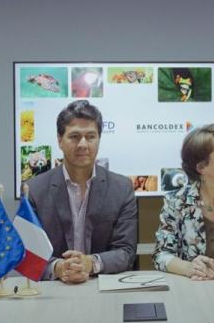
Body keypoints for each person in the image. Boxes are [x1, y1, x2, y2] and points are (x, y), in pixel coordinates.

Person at [26, 100, 137, 284]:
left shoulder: (122, 188)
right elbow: (28, 252)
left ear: (99, 139)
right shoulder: (35, 190)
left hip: (103, 289)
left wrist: (90, 263)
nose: (83, 144)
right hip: (54, 291)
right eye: (75, 136)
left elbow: (126, 252)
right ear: (60, 141)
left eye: (90, 136)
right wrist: (58, 268)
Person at [154, 124, 214, 279]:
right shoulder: (177, 202)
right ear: (201, 167)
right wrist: (189, 268)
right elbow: (160, 256)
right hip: (193, 290)